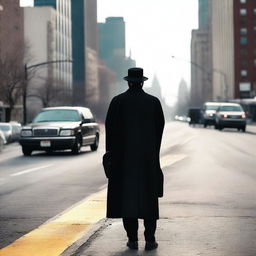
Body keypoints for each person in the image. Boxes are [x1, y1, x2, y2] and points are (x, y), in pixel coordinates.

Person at [105, 67, 165, 251]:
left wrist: (112, 155)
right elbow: (159, 129)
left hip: (123, 162)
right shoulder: (153, 102)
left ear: (128, 82)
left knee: (127, 201)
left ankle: (132, 240)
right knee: (149, 200)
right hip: (147, 160)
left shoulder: (117, 102)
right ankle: (150, 240)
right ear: (142, 82)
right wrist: (153, 152)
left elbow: (110, 130)